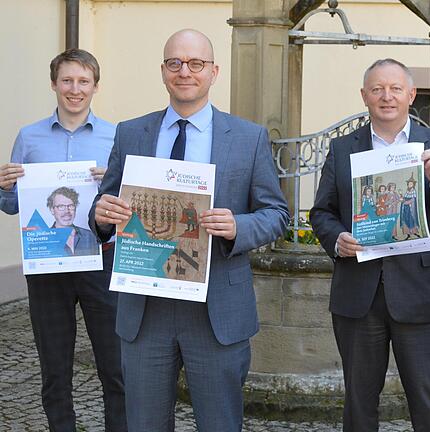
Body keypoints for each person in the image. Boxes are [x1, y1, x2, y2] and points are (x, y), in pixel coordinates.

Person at [89, 29, 288, 431]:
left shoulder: (248, 138)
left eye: (195, 63)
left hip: (215, 311)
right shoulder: (131, 132)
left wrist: (237, 225)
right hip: (146, 309)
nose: (185, 72)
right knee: (144, 424)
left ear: (213, 72)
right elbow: (104, 206)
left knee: (220, 423)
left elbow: (277, 213)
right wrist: (101, 215)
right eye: (175, 63)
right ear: (163, 71)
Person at [310, 58, 430, 431]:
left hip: (419, 295)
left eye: (395, 89)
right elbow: (321, 212)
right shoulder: (343, 148)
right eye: (377, 89)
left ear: (412, 94)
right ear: (364, 96)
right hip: (358, 296)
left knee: (429, 406)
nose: (386, 96)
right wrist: (336, 240)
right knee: (359, 407)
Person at [0, 49, 126, 431]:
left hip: (101, 261)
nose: (75, 89)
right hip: (47, 265)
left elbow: (127, 206)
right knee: (55, 368)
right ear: (54, 84)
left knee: (115, 365)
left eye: (83, 81)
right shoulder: (29, 136)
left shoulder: (116, 136)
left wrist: (116, 182)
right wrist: (2, 185)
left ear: (96, 87)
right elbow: (10, 204)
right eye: (67, 81)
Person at [46, 186, 100, 256]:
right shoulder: (44, 239)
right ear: (52, 210)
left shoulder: (90, 236)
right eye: (61, 206)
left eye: (71, 206)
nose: (67, 211)